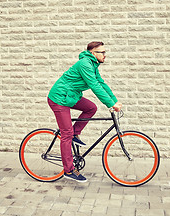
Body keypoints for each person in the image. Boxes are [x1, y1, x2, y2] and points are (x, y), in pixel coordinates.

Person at [48, 41, 122, 183]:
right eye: (102, 52)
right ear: (93, 53)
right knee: (66, 134)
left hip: (69, 97)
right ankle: (69, 170)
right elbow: (94, 86)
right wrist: (110, 104)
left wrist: (114, 100)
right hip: (58, 98)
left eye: (105, 52)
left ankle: (75, 133)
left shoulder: (93, 65)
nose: (105, 55)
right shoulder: (85, 64)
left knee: (91, 108)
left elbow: (101, 83)